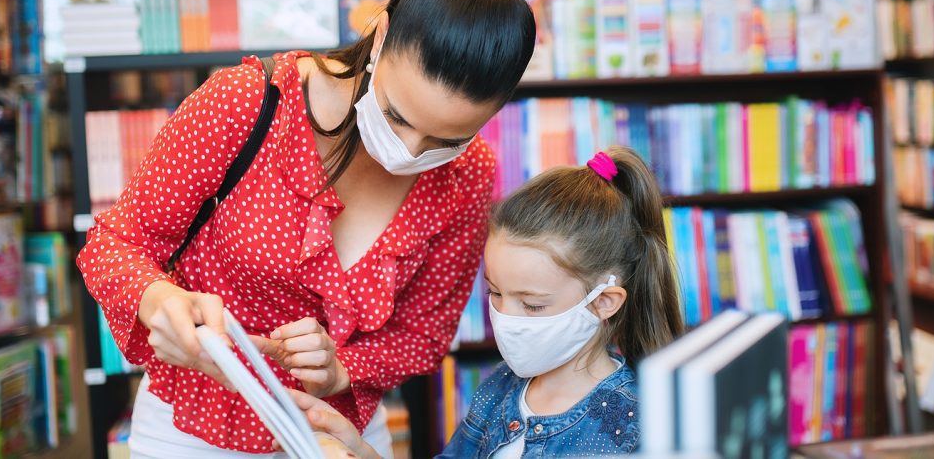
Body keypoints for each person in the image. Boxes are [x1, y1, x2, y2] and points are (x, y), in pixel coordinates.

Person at [76, 0, 535, 458]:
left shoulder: (469, 174)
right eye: (397, 116)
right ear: (380, 35)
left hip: (340, 437)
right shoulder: (248, 103)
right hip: (194, 432)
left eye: (445, 140)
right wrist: (159, 300)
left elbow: (425, 333)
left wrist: (344, 370)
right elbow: (115, 241)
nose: (408, 152)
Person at [294, 147, 686, 457]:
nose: (506, 318)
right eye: (496, 293)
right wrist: (357, 448)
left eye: (532, 305)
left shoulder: (637, 422)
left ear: (605, 302)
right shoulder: (502, 388)